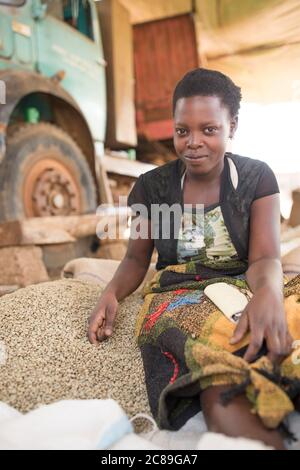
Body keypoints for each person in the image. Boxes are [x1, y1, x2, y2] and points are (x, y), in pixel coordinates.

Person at [88, 68, 300, 450]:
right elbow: (137, 259)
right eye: (182, 130)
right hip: (179, 293)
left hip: (243, 280)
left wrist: (268, 292)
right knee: (219, 361)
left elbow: (265, 256)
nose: (193, 142)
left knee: (288, 318)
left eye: (209, 129)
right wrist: (112, 294)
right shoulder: (151, 188)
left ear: (231, 126)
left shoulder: (255, 179)